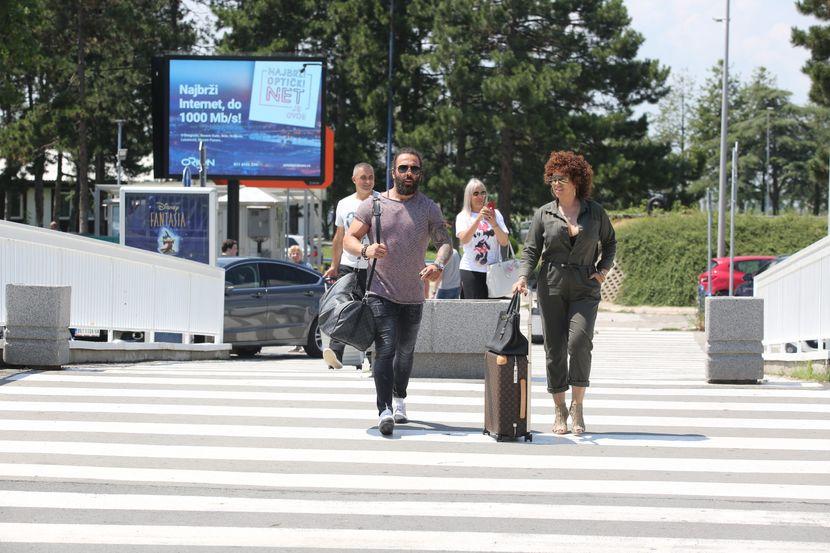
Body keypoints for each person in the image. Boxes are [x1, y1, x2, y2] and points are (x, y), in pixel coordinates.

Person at [343, 147, 451, 436]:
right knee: (386, 349)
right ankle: (384, 409)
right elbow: (349, 239)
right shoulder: (373, 205)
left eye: (414, 169)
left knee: (405, 353)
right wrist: (366, 249)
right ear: (393, 172)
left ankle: (400, 396)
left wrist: (438, 264)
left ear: (420, 174)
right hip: (380, 291)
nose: (408, 173)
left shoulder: (428, 207)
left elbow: (445, 242)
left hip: (414, 295)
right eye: (403, 168)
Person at [512, 150, 616, 435]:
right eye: (553, 178)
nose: (557, 183)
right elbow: (531, 250)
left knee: (580, 342)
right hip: (552, 282)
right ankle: (559, 408)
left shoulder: (595, 212)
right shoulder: (543, 213)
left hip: (585, 283)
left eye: (563, 178)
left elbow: (610, 243)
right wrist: (523, 277)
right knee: (554, 349)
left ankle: (578, 405)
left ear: (577, 181)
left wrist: (603, 270)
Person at [322, 162, 376, 369]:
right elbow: (339, 237)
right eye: (363, 177)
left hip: (373, 266)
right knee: (344, 308)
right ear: (354, 180)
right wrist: (334, 265)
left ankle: (371, 357)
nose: (368, 181)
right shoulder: (344, 204)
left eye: (371, 177)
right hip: (348, 264)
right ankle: (335, 354)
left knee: (372, 311)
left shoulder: (381, 201)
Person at [455, 178, 510, 298]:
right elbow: (464, 240)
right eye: (476, 193)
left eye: (483, 192)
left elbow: (504, 242)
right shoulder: (463, 216)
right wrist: (478, 219)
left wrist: (494, 223)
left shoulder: (496, 214)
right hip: (471, 270)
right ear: (469, 197)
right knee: (475, 311)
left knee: (494, 312)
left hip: (493, 271)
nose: (480, 196)